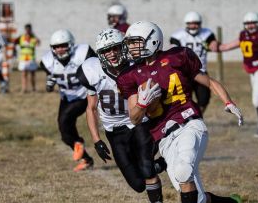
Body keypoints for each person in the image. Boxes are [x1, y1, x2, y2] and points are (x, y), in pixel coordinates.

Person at [118, 21, 243, 203]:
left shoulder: (178, 57)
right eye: (129, 43)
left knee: (183, 171)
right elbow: (134, 118)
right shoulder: (131, 75)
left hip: (189, 124)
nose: (131, 47)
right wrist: (143, 104)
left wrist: (228, 102)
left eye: (135, 42)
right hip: (163, 137)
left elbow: (209, 82)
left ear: (152, 41)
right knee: (198, 198)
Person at [76, 28, 165, 202]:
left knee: (147, 168)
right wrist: (96, 140)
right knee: (138, 184)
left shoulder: (138, 65)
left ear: (123, 47)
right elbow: (91, 108)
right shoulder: (91, 70)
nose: (111, 54)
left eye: (115, 48)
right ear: (100, 54)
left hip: (140, 122)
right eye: (106, 51)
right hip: (114, 130)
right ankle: (164, 163)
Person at [40, 29, 96, 172]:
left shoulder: (83, 53)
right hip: (66, 97)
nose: (60, 49)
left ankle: (79, 143)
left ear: (71, 44)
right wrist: (49, 84)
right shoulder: (47, 61)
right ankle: (86, 159)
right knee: (65, 133)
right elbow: (49, 88)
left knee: (65, 119)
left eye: (63, 45)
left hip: (84, 95)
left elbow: (97, 67)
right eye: (56, 47)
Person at [219, 12, 258, 137]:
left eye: (253, 23)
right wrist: (209, 46)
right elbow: (226, 47)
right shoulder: (243, 35)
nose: (251, 25)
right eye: (248, 23)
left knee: (257, 99)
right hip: (254, 72)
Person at [170, 11, 219, 113]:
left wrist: (214, 43)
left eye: (196, 23)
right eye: (191, 23)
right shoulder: (178, 36)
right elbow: (173, 51)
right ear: (187, 24)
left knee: (204, 100)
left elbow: (212, 43)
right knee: (184, 100)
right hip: (184, 72)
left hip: (201, 70)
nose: (193, 26)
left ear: (200, 23)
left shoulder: (207, 34)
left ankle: (198, 117)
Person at [14, 24, 40, 93]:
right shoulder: (21, 37)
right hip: (23, 58)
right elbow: (15, 42)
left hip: (31, 58)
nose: (28, 31)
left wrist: (35, 38)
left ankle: (33, 89)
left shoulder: (33, 38)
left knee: (32, 74)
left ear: (31, 30)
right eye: (27, 29)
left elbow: (38, 43)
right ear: (25, 30)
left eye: (29, 29)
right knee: (23, 74)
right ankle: (24, 89)